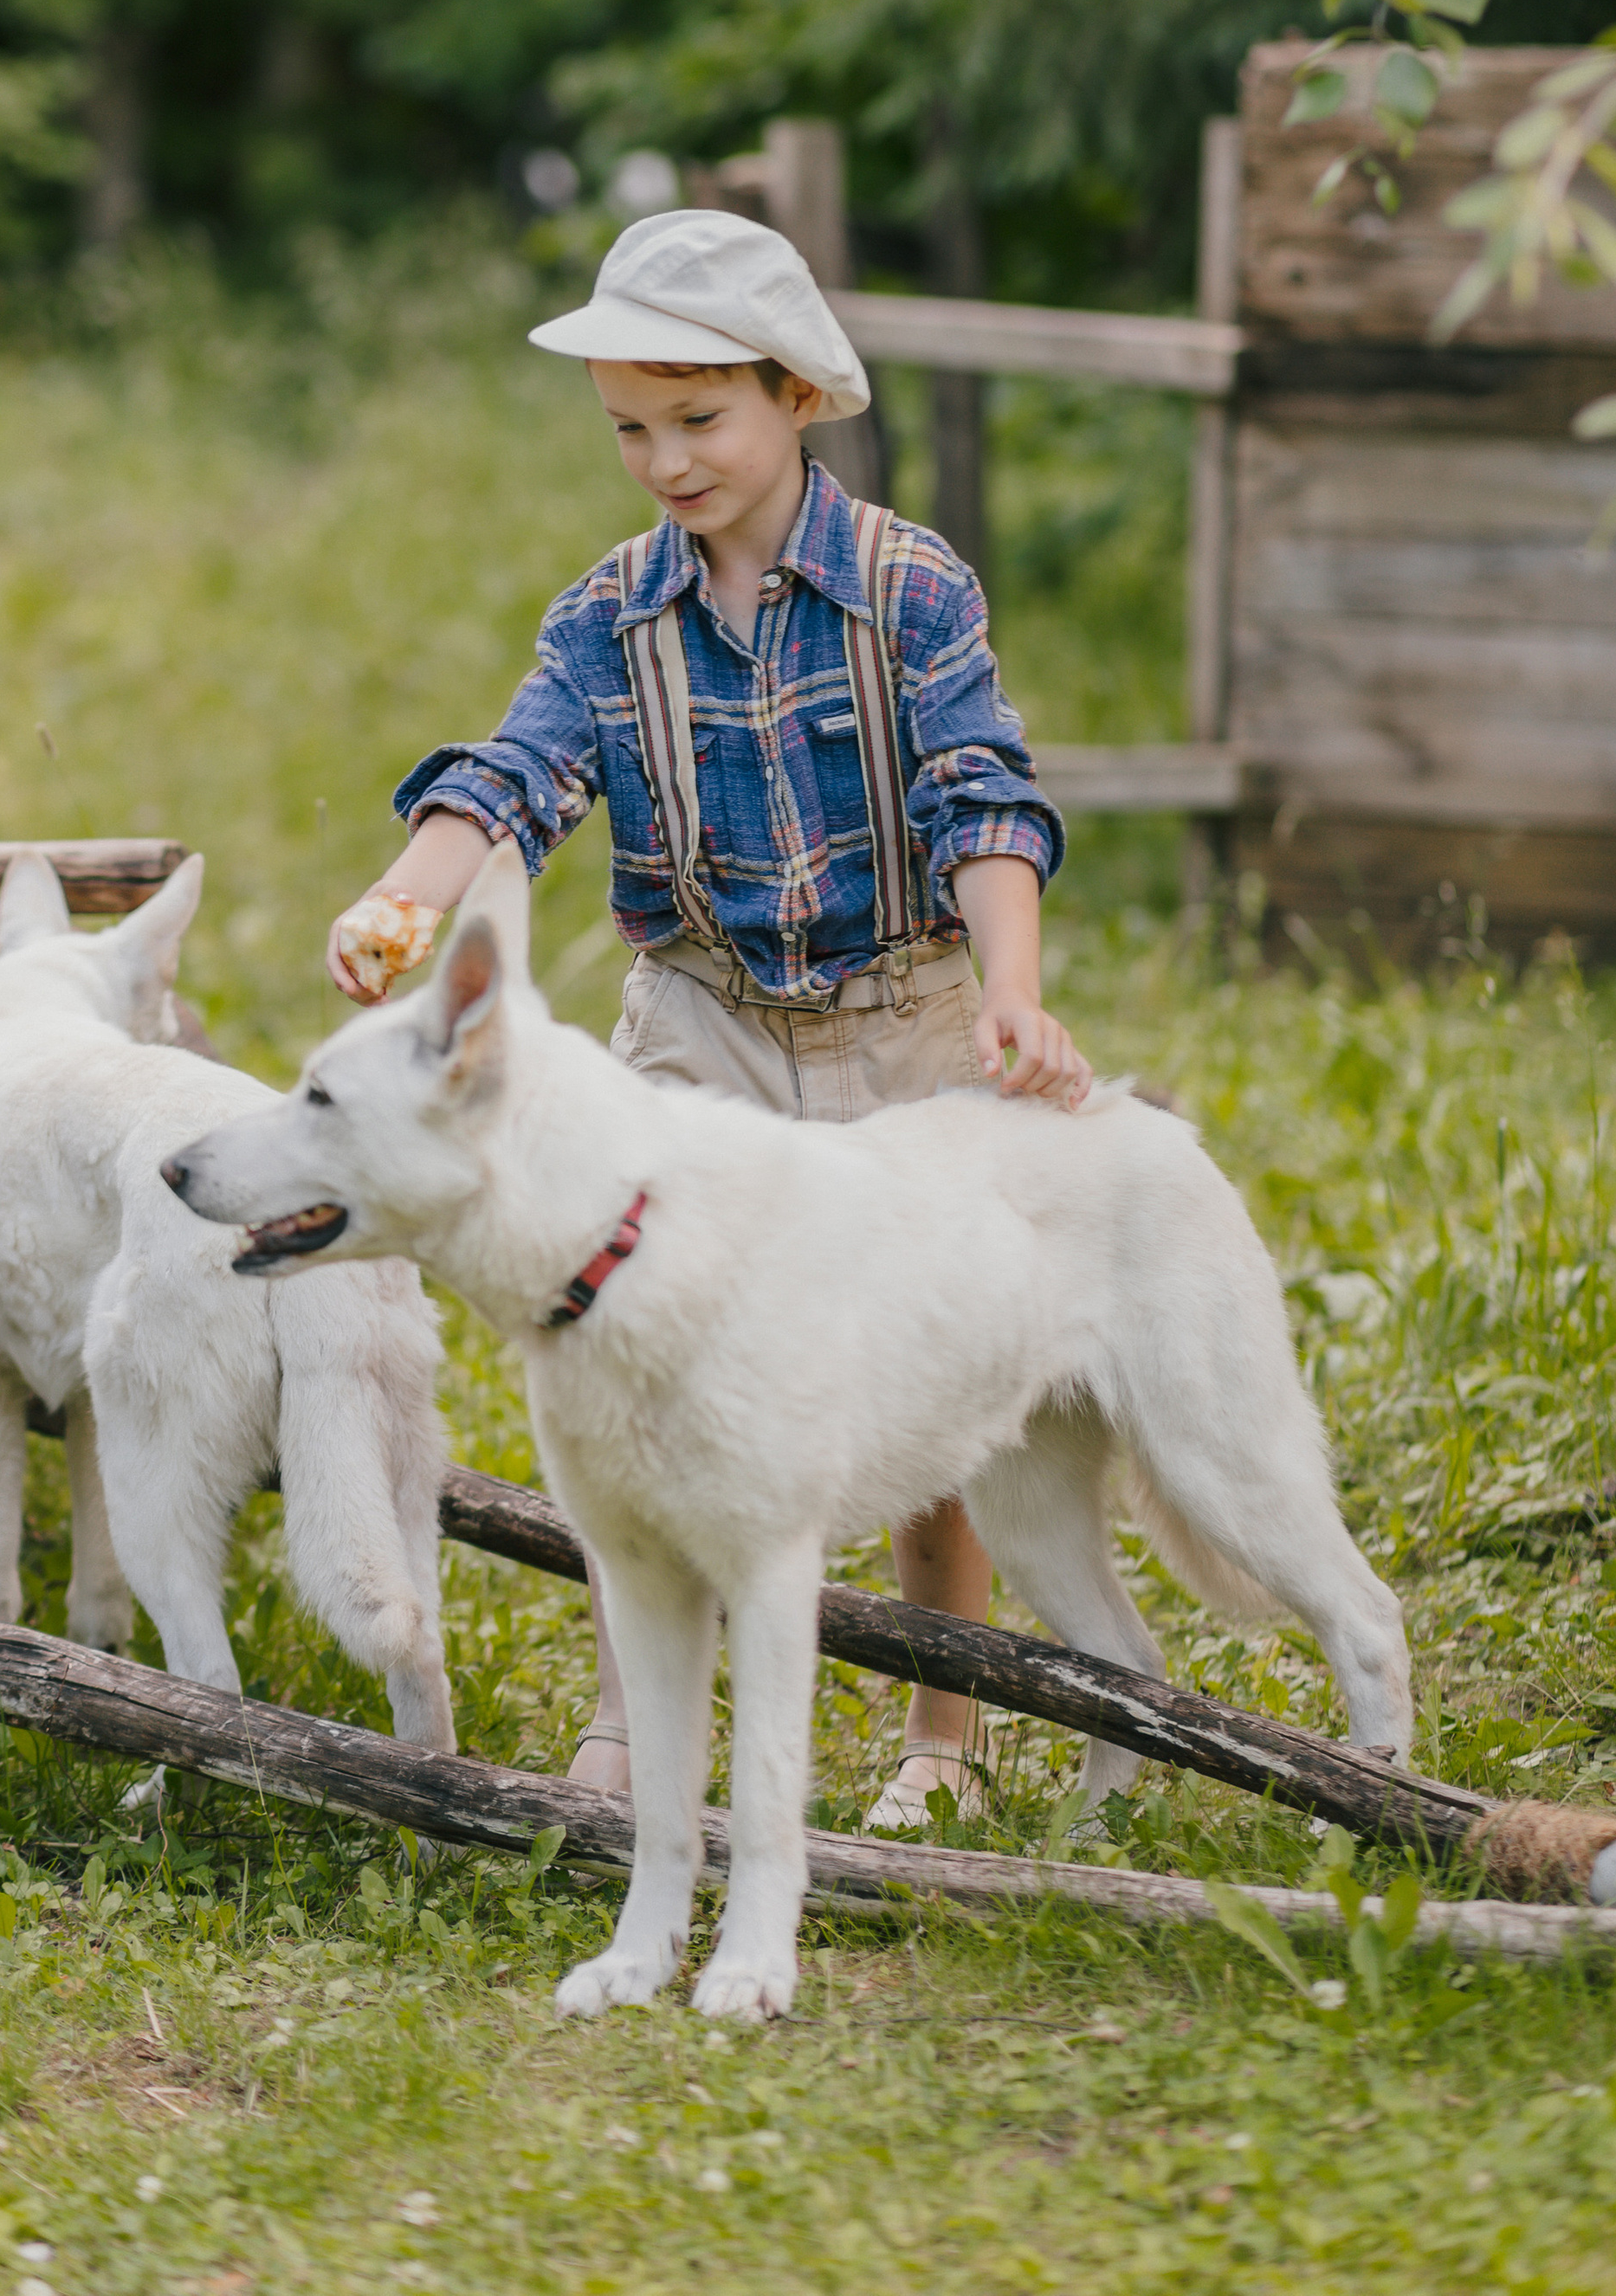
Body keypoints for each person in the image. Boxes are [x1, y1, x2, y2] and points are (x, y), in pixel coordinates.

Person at [324, 205, 1089, 1827]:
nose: (664, 460)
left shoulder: (907, 588)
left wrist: (1009, 989)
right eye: (628, 428)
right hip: (705, 1021)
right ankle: (632, 1724)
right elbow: (516, 775)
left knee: (916, 1369)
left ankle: (941, 1734)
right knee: (634, 1349)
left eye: (696, 419)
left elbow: (981, 799)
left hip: (900, 1007)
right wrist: (410, 891)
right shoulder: (608, 617)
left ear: (796, 397)